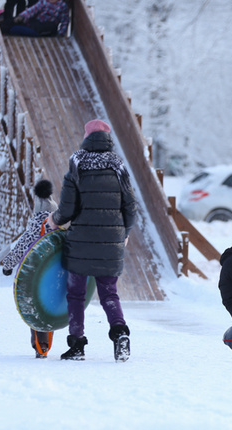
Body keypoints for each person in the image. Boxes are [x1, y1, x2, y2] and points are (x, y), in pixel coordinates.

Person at [47, 119, 137, 362]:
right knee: (109, 293)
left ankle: (77, 344)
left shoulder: (76, 165)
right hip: (112, 242)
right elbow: (130, 205)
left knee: (75, 294)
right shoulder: (119, 166)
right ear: (108, 140)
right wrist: (124, 233)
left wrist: (54, 219)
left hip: (80, 243)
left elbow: (66, 209)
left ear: (86, 137)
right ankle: (120, 335)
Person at [1, 179, 58, 358]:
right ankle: (46, 342)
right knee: (50, 308)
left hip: (32, 277)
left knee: (34, 310)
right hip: (54, 276)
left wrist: (8, 265)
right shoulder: (59, 228)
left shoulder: (34, 228)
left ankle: (39, 345)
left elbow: (20, 247)